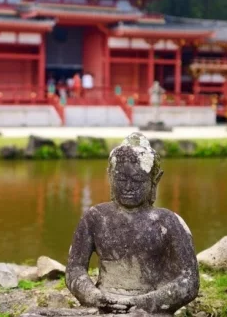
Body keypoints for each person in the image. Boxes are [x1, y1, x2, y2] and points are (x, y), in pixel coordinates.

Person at [67, 133, 198, 314]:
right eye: (121, 179)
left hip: (149, 308)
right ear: (110, 176)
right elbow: (75, 269)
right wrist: (94, 296)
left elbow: (189, 281)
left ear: (155, 180)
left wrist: (143, 302)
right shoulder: (95, 217)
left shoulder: (168, 221)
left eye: (137, 180)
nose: (128, 187)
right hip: (103, 304)